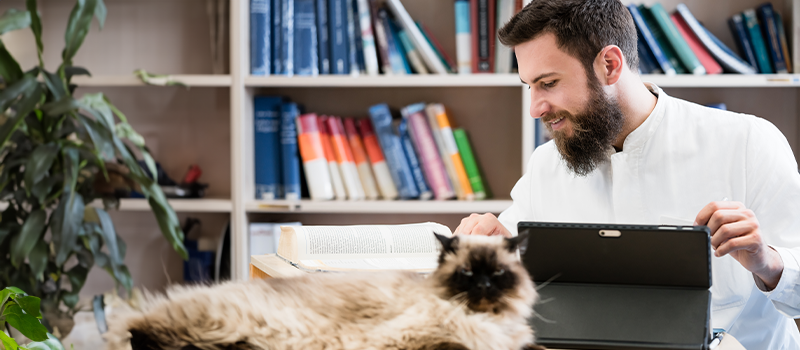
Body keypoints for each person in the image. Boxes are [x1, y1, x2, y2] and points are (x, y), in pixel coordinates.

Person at [454, 0, 800, 348]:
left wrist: (767, 262)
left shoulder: (748, 143)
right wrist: (491, 250)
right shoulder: (546, 165)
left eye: (548, 83)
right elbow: (511, 264)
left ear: (610, 65)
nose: (535, 108)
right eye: (530, 85)